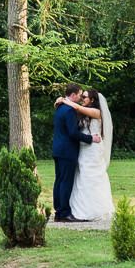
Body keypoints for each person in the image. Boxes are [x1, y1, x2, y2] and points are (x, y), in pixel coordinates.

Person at [60, 88, 114, 221]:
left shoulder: (96, 112)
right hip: (84, 149)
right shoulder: (83, 113)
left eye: (84, 97)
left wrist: (64, 100)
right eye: (82, 96)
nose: (82, 99)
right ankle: (80, 209)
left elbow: (77, 107)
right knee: (81, 176)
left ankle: (96, 210)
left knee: (93, 176)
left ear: (92, 100)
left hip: (94, 150)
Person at [52, 84, 101, 222]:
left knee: (59, 180)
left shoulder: (60, 107)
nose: (80, 98)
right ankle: (64, 213)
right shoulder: (69, 110)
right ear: (73, 95)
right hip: (67, 151)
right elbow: (73, 133)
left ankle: (58, 211)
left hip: (58, 149)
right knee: (66, 182)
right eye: (80, 95)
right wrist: (91, 138)